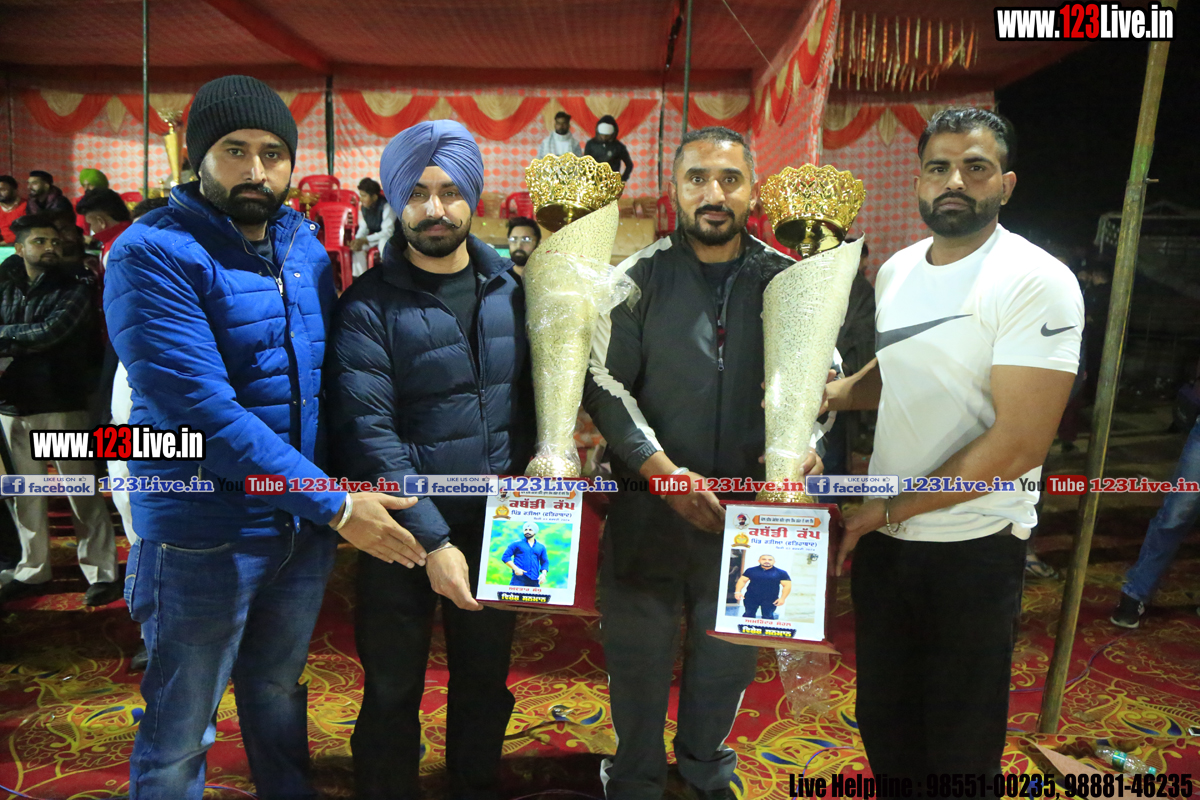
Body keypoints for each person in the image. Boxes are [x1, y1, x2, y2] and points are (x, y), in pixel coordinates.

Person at [104, 74, 424, 799]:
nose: (256, 170)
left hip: (297, 529)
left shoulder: (301, 246)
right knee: (183, 723)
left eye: (273, 154)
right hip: (202, 531)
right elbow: (205, 416)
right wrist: (336, 505)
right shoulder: (150, 253)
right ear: (198, 158)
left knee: (278, 689)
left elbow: (328, 382)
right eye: (235, 150)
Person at [825, 108, 1083, 782]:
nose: (955, 182)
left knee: (957, 751)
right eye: (938, 167)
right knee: (886, 728)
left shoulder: (1036, 280)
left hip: (974, 546)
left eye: (976, 168)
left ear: (1007, 184)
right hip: (887, 542)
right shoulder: (898, 270)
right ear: (918, 180)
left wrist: (886, 510)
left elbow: (1019, 445)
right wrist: (833, 394)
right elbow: (901, 367)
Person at [582, 126, 822, 800]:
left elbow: (819, 385)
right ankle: (633, 778)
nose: (713, 194)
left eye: (729, 179)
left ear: (753, 191)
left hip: (750, 520)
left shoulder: (793, 283)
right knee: (638, 660)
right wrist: (659, 470)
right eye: (697, 179)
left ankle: (704, 771)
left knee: (727, 662)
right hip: (649, 507)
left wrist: (807, 443)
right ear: (674, 189)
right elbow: (602, 383)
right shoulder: (635, 279)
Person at [326, 119, 535, 800]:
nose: (434, 209)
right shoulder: (366, 306)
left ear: (474, 196)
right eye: (415, 194)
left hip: (499, 527)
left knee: (485, 681)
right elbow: (369, 433)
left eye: (449, 192)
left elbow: (534, 407)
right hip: (400, 530)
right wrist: (434, 540)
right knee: (392, 686)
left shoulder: (513, 291)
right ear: (395, 201)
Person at [0, 214, 117, 608]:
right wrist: (20, 339)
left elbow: (53, 331)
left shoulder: (76, 282)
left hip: (61, 400)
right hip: (12, 402)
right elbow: (34, 334)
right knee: (25, 495)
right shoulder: (5, 281)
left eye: (54, 241)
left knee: (80, 491)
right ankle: (33, 569)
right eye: (40, 242)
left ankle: (101, 572)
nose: (50, 247)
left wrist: (6, 336)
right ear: (20, 248)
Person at [823, 241, 876, 476]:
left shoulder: (858, 290)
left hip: (835, 388)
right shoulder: (859, 288)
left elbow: (865, 339)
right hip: (837, 384)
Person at [350, 177, 396, 277]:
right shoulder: (364, 208)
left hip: (391, 238)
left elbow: (388, 232)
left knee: (384, 242)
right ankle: (361, 278)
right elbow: (364, 228)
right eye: (360, 196)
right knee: (358, 248)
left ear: (374, 197)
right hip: (374, 238)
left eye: (364, 196)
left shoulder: (386, 206)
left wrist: (365, 239)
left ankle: (389, 275)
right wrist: (358, 240)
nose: (361, 199)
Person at [76, 188, 133, 267]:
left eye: (90, 224)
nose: (91, 229)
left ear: (101, 222)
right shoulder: (136, 233)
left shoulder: (112, 251)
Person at [733, 553, 791, 619]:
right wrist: (737, 592)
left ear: (774, 562)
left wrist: (782, 598)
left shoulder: (781, 573)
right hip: (751, 597)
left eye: (770, 560)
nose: (767, 561)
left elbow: (787, 586)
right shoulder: (751, 570)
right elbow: (742, 581)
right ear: (759, 561)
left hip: (770, 599)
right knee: (748, 615)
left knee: (768, 616)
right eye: (764, 559)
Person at [583, 115, 633, 182]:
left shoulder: (618, 146)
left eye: (607, 136)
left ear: (613, 134)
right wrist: (587, 178)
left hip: (612, 182)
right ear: (598, 132)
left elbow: (629, 164)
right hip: (594, 181)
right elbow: (585, 164)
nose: (604, 137)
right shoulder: (591, 144)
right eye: (602, 135)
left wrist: (623, 179)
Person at [502, 521, 549, 587]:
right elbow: (505, 557)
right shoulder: (516, 544)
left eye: (530, 530)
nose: (527, 531)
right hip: (518, 579)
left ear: (535, 532)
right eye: (525, 530)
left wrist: (543, 574)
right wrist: (516, 569)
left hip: (534, 579)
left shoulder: (541, 547)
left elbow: (545, 562)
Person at [0, 176, 26, 245]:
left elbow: (27, 233)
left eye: (3, 190)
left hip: (20, 245)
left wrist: (3, 243)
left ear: (15, 190)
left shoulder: (27, 206)